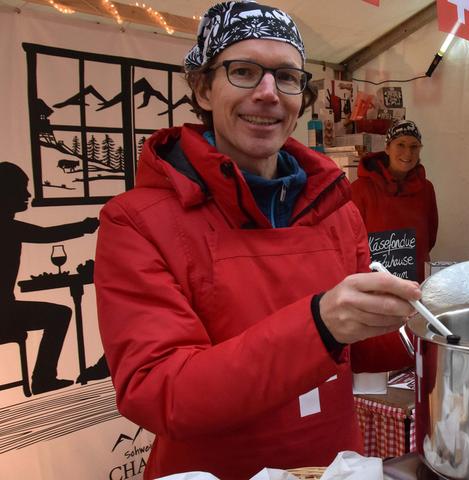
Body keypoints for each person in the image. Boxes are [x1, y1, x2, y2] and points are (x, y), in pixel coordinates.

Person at [94, 2, 418, 478]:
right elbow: (159, 389)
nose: (269, 93)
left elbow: (360, 349)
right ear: (203, 88)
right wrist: (320, 324)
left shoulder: (338, 211)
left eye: (287, 77)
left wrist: (434, 323)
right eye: (244, 71)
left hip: (335, 466)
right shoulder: (135, 222)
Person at [0, 162, 99, 394]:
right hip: (3, 313)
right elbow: (46, 235)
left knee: (59, 313)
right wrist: (84, 227)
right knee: (60, 314)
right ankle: (43, 378)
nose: (27, 194)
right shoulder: (6, 227)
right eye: (21, 189)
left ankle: (43, 378)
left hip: (6, 310)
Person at [351, 120, 439, 282]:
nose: (407, 153)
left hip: (416, 283)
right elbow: (351, 240)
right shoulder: (360, 189)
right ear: (387, 148)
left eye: (414, 146)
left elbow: (430, 237)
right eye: (401, 145)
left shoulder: (426, 189)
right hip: (374, 285)